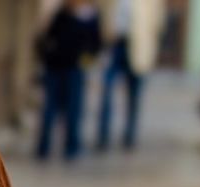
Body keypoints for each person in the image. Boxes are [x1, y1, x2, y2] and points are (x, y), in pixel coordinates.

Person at [36, 0, 103, 160]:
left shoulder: (90, 16)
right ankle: (44, 146)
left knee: (73, 109)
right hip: (56, 67)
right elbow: (47, 37)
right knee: (50, 108)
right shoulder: (61, 13)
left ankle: (71, 146)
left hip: (74, 68)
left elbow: (95, 44)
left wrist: (85, 60)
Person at [97, 0, 166, 150]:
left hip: (137, 48)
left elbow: (158, 22)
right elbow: (102, 12)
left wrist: (150, 47)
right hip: (114, 45)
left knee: (134, 96)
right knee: (107, 92)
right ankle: (103, 137)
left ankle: (130, 136)